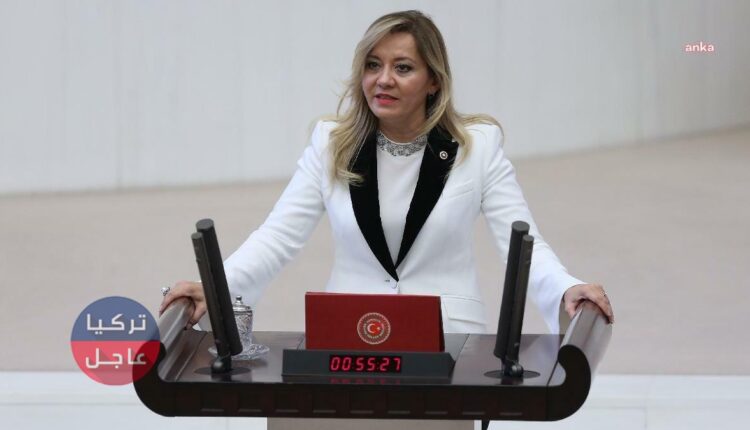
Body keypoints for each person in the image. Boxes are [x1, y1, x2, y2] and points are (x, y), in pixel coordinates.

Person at [159, 10, 614, 334]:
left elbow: (522, 242)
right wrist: (214, 288)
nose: (383, 79)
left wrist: (566, 287)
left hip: (450, 339)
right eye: (373, 65)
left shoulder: (477, 147)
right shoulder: (331, 143)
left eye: (403, 68)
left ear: (433, 81)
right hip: (349, 332)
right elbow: (277, 236)